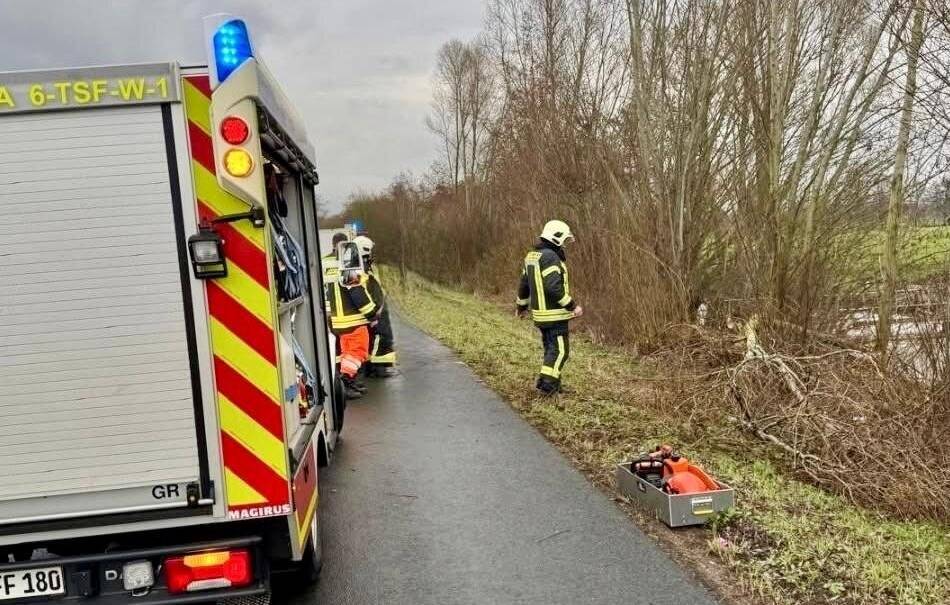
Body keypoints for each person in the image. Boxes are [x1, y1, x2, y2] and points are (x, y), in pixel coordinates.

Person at [516, 220, 583, 395]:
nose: (566, 244)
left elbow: (524, 284)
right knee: (561, 351)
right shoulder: (551, 257)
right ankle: (547, 385)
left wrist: (521, 307)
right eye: (565, 240)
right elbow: (553, 287)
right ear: (557, 237)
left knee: (551, 350)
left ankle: (553, 384)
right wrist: (572, 306)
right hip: (555, 315)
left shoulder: (532, 256)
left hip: (540, 316)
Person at [327, 256, 378, 400]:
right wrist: (372, 314)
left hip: (339, 323)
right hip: (354, 322)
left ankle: (349, 382)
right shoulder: (348, 270)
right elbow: (358, 294)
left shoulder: (331, 269)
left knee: (347, 354)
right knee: (357, 353)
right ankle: (346, 382)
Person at [353, 235, 398, 377]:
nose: (372, 254)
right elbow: (363, 292)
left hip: (377, 310)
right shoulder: (360, 270)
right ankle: (376, 369)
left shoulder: (366, 266)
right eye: (370, 251)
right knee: (378, 339)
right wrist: (373, 312)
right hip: (374, 313)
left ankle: (376, 367)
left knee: (378, 339)